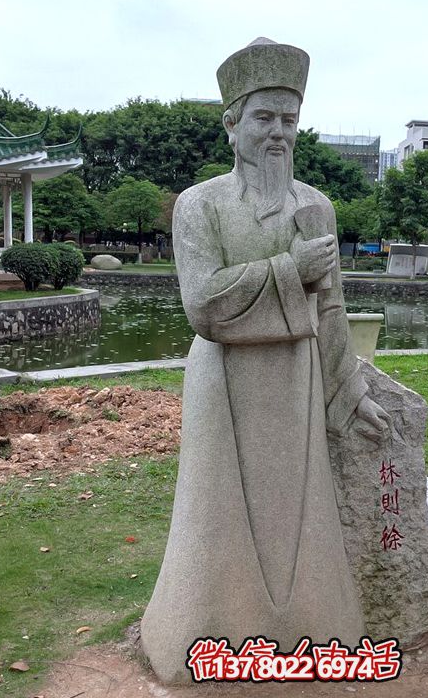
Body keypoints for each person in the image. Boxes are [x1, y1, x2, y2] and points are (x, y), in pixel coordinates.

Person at [141, 38, 390, 683]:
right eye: (263, 117)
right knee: (218, 515)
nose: (278, 132)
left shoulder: (316, 206)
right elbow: (202, 306)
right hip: (224, 386)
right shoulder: (201, 205)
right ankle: (203, 635)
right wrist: (290, 271)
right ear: (233, 124)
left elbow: (331, 310)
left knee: (302, 518)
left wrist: (348, 391)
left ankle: (311, 635)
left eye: (289, 119)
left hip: (298, 383)